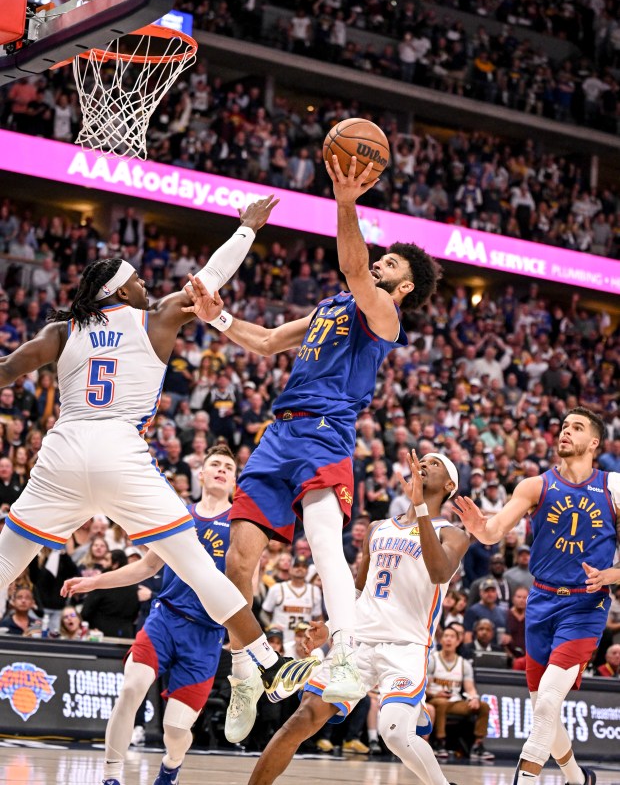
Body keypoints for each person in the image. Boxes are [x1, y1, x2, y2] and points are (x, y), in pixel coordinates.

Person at [0, 197, 319, 738]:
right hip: (120, 453)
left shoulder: (61, 332)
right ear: (122, 291)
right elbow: (209, 278)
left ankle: (264, 663)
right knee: (195, 566)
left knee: (6, 565)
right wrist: (245, 229)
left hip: (61, 452)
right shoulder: (157, 318)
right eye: (137, 281)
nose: (146, 285)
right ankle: (266, 661)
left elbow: (7, 370)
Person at [184, 156, 442, 741]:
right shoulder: (331, 306)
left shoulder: (384, 313)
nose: (380, 263)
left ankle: (346, 657)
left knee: (325, 541)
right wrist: (218, 317)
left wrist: (346, 201)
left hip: (327, 429)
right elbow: (270, 340)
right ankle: (248, 665)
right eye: (382, 257)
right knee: (238, 561)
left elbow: (356, 270)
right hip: (279, 434)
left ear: (402, 287)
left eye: (391, 264)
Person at [245, 450, 469, 785]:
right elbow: (357, 591)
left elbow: (439, 572)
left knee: (393, 734)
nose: (423, 464)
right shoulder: (377, 528)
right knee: (302, 718)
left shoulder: (451, 533)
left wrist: (421, 506)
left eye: (434, 463)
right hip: (359, 644)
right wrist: (333, 626)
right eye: (421, 460)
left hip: (405, 647)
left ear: (450, 484)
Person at [454, 407, 620, 785]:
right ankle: (577, 778)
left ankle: (524, 781)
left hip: (585, 604)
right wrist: (481, 529)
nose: (565, 432)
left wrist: (613, 574)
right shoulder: (534, 486)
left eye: (576, 428)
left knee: (547, 702)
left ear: (594, 442)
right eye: (563, 426)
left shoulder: (613, 487)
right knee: (543, 709)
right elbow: (495, 530)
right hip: (541, 603)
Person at [62, 446, 242, 785]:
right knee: (131, 687)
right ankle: (112, 776)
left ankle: (171, 767)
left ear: (235, 480)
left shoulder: (239, 527)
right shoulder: (178, 517)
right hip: (165, 619)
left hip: (205, 634)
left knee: (176, 730)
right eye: (214, 464)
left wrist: (242, 642)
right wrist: (94, 581)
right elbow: (147, 567)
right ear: (200, 474)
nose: (220, 469)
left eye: (227, 467)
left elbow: (243, 588)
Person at [426, 624, 495, 760]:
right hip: (434, 699)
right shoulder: (432, 660)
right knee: (442, 703)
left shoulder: (464, 664)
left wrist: (474, 698)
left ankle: (477, 745)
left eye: (452, 637)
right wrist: (435, 694)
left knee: (483, 706)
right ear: (441, 641)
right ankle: (440, 742)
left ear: (458, 642)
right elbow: (424, 688)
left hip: (455, 701)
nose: (448, 640)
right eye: (445, 636)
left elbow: (470, 688)